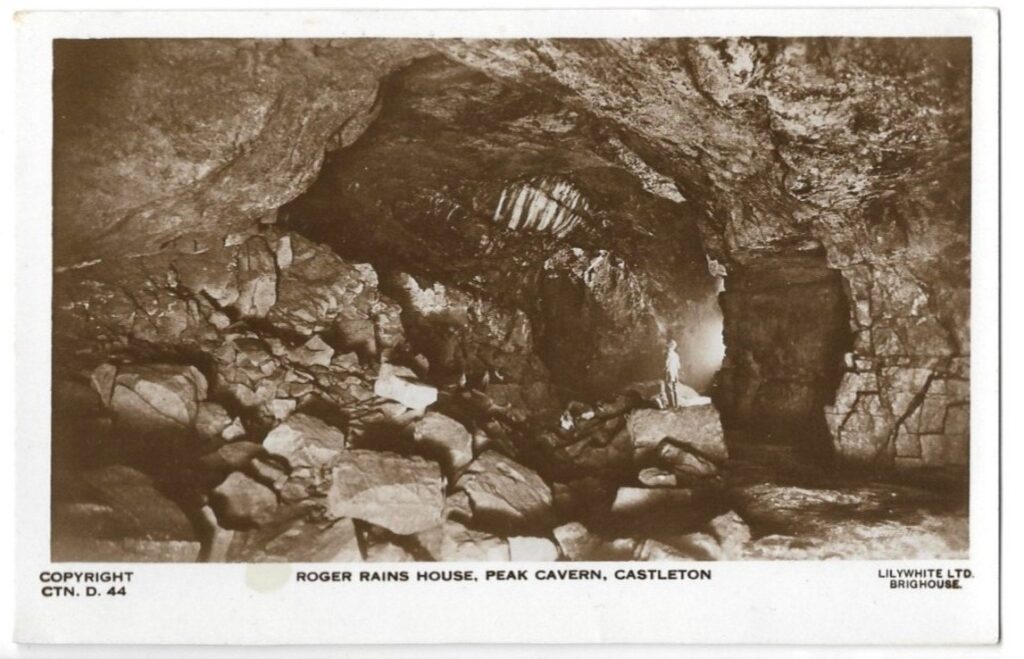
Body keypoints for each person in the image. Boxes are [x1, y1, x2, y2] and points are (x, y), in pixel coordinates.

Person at [663, 339, 681, 409]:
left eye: (668, 344)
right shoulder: (676, 355)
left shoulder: (667, 354)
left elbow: (666, 364)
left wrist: (664, 370)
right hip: (675, 373)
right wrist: (676, 374)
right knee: (674, 389)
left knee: (668, 389)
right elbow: (678, 366)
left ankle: (671, 405)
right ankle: (676, 404)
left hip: (669, 372)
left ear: (669, 346)